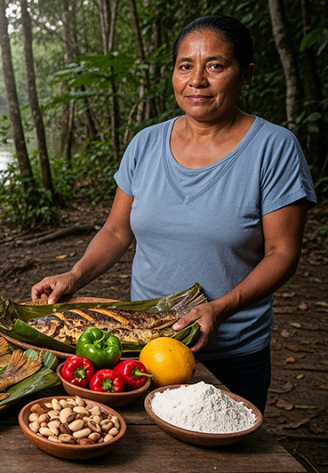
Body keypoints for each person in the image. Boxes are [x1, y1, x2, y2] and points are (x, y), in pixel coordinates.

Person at [31, 15, 317, 412]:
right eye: (185, 66)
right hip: (147, 349)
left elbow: (282, 254)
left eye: (215, 66)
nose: (196, 80)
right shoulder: (146, 144)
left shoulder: (273, 148)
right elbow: (116, 232)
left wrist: (220, 307)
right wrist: (73, 275)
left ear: (245, 74)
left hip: (232, 350)